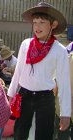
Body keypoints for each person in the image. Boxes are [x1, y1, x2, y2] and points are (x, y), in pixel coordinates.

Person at [7, 2, 71, 140]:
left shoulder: (59, 51)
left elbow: (64, 83)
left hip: (45, 99)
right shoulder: (26, 44)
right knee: (20, 134)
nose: (37, 26)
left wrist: (66, 113)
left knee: (44, 135)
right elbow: (18, 71)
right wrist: (11, 94)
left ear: (52, 25)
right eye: (35, 22)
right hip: (24, 96)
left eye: (42, 22)